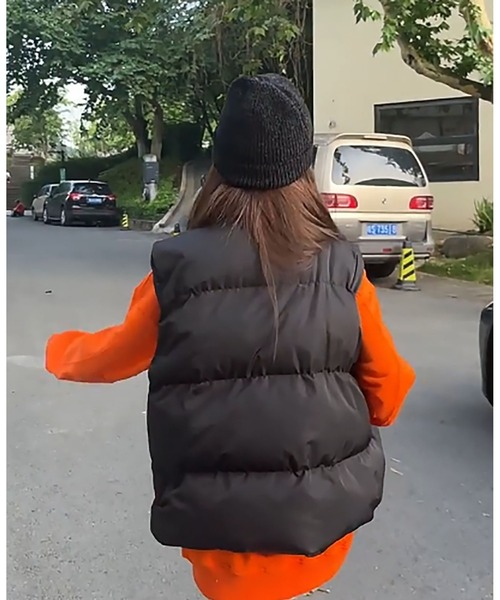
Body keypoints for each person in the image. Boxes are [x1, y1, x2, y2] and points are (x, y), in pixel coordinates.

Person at [46, 74, 415, 600]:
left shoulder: (179, 268)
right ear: (302, 170)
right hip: (319, 531)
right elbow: (387, 396)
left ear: (218, 169)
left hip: (220, 543)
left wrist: (58, 350)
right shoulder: (342, 268)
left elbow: (113, 356)